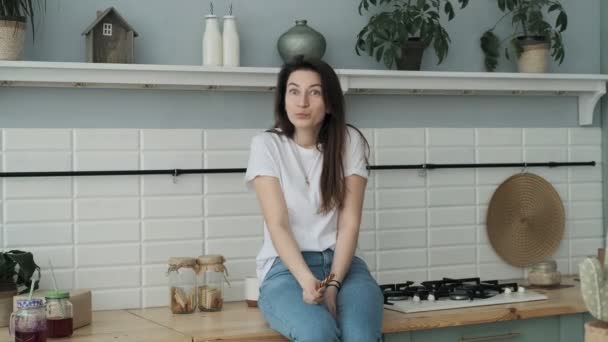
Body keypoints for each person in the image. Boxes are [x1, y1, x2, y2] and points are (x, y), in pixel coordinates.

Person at [245, 57, 384, 342]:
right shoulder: (266, 145)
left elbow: (349, 224)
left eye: (315, 92)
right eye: (293, 91)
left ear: (330, 103)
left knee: (360, 336)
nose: (302, 102)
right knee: (317, 332)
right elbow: (278, 224)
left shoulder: (349, 141)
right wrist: (307, 281)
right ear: (283, 99)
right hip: (285, 270)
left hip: (343, 266)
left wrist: (333, 284)